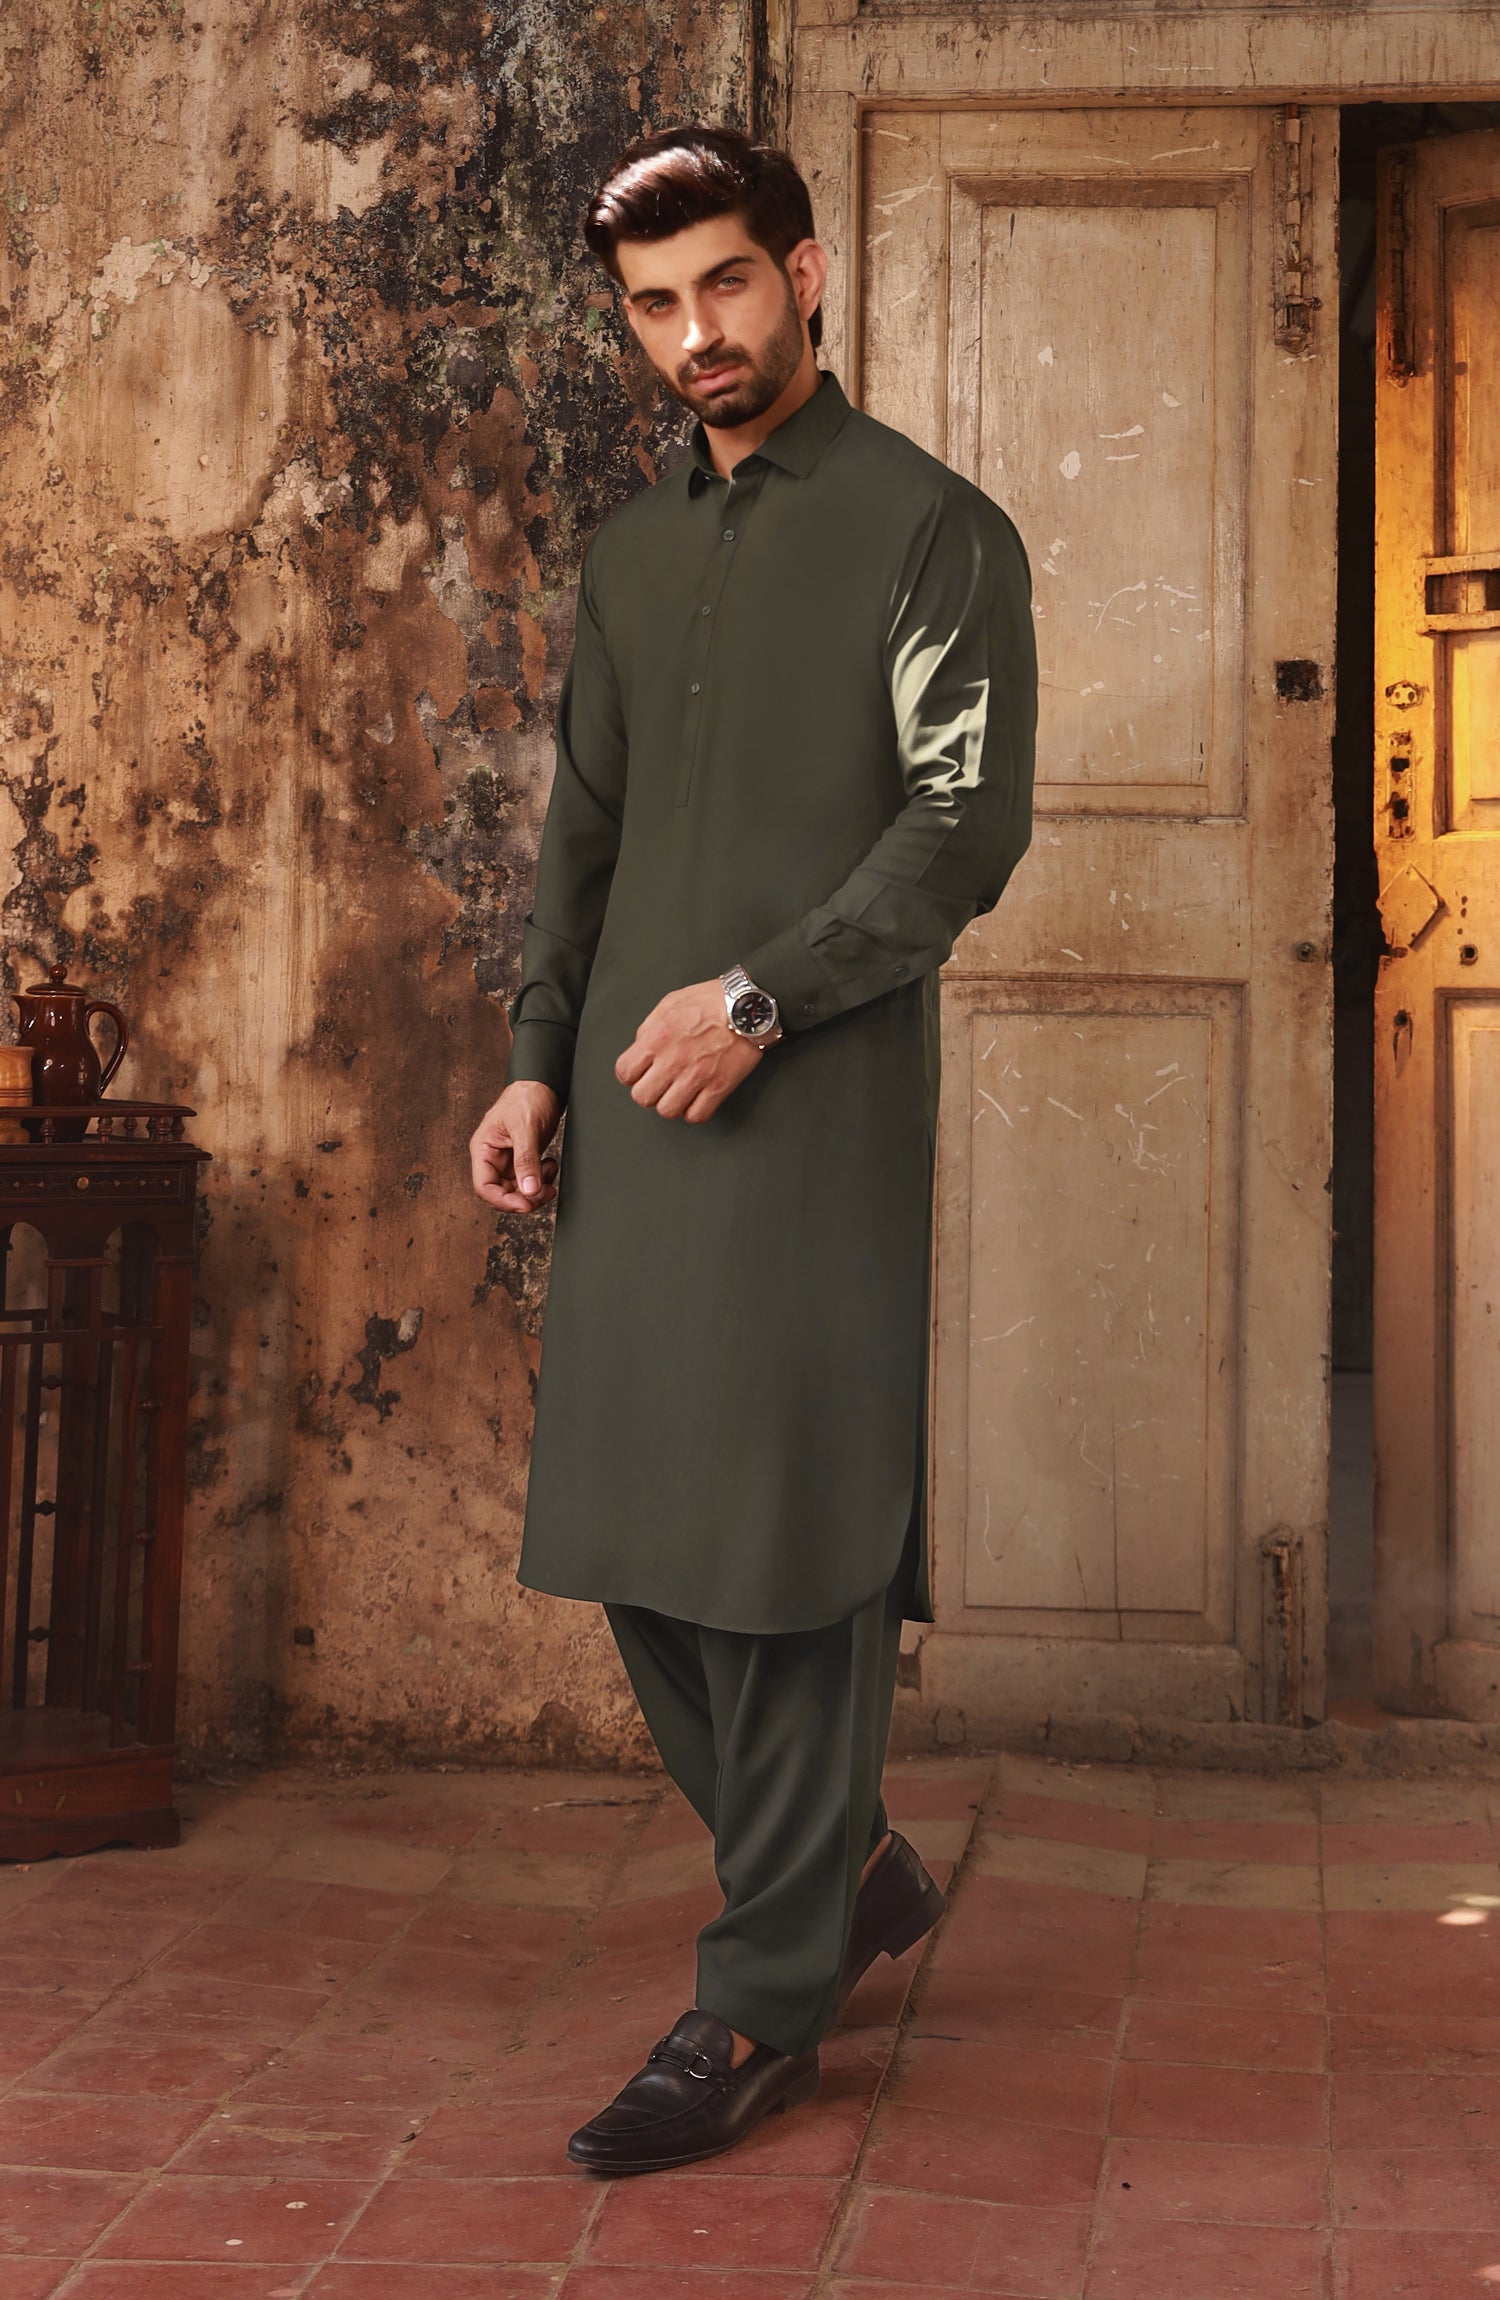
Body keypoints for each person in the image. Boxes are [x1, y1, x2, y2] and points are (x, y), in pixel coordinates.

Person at [469, 122, 1037, 2175]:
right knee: (634, 1527)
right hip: (636, 1099)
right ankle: (849, 1873)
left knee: (795, 1550)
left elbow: (963, 825)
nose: (693, 332)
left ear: (803, 273)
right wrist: (537, 1058)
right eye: (654, 303)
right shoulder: (634, 556)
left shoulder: (930, 529)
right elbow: (587, 832)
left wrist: (765, 1000)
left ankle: (756, 2005)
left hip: (812, 1095)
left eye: (724, 282)